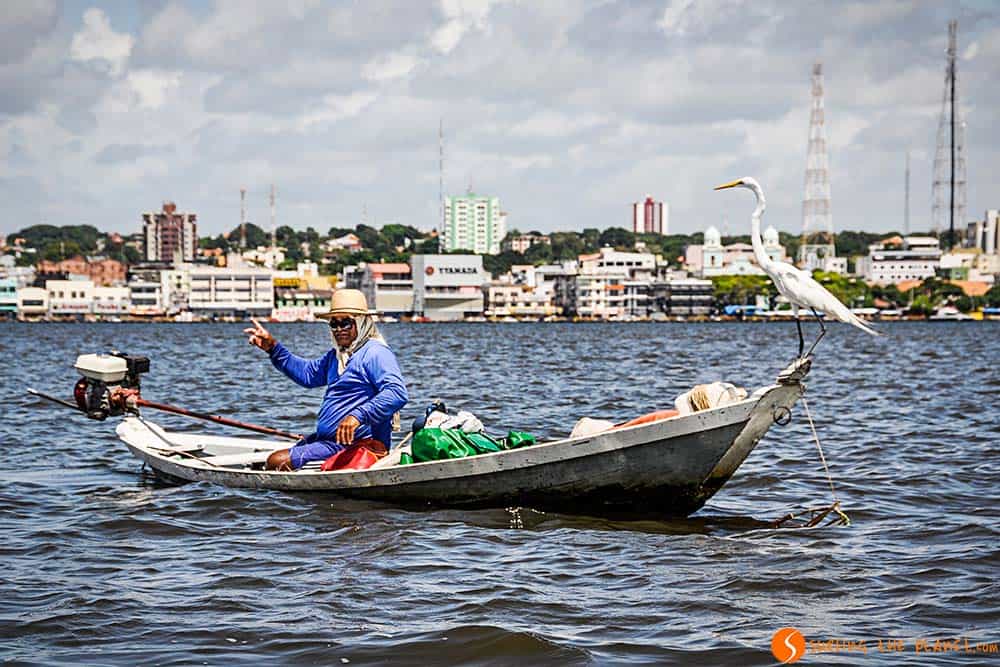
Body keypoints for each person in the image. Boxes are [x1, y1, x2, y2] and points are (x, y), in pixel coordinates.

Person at [243, 289, 408, 471]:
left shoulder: (375, 353)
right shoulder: (337, 356)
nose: (339, 329)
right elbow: (308, 375)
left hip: (358, 446)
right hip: (330, 441)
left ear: (362, 323)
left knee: (276, 461)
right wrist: (273, 349)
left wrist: (357, 416)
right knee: (282, 457)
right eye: (334, 324)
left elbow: (396, 393)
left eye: (345, 323)